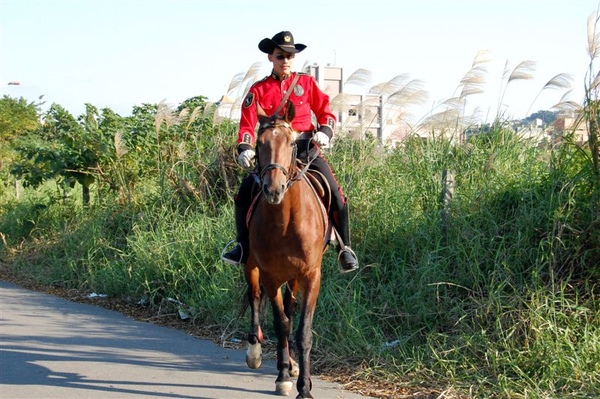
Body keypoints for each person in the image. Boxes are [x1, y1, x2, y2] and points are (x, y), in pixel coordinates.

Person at [221, 31, 359, 273]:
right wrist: (244, 147)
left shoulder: (306, 84)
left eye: (290, 56)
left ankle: (345, 248)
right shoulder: (258, 89)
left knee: (337, 195)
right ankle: (242, 246)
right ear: (270, 58)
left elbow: (326, 112)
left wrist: (325, 131)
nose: (286, 60)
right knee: (243, 195)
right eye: (280, 56)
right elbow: (246, 124)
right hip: (272, 154)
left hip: (305, 149)